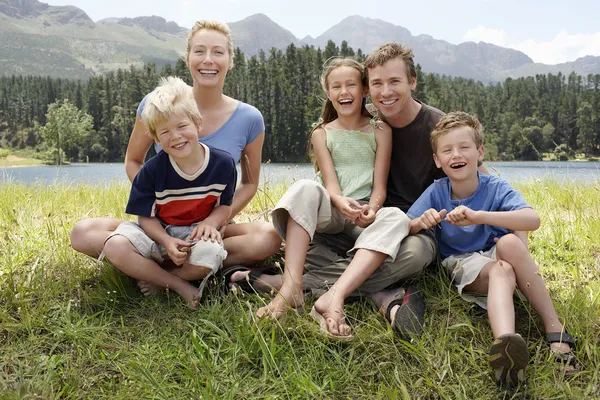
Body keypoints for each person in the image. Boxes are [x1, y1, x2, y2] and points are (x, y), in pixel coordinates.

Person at [228, 43, 452, 338]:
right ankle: (374, 293)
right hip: (339, 226)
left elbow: (474, 174)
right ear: (368, 90)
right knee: (306, 197)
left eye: (395, 81)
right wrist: (338, 201)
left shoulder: (435, 126)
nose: (386, 92)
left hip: (389, 228)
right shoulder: (345, 123)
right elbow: (330, 184)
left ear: (412, 82)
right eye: (377, 84)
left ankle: (292, 285)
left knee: (414, 251)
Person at [69, 20, 282, 278]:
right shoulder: (157, 103)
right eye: (199, 51)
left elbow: (249, 184)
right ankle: (180, 260)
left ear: (230, 60)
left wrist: (214, 221)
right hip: (161, 222)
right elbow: (133, 160)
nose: (208, 60)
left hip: (211, 225)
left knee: (268, 237)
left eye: (218, 52)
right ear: (188, 57)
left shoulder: (250, 118)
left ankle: (159, 269)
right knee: (82, 233)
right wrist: (159, 207)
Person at [407, 111, 575, 386]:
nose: (456, 155)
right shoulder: (437, 191)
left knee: (508, 244)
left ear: (479, 152)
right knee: (501, 270)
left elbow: (532, 220)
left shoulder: (495, 186)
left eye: (464, 147)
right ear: (437, 160)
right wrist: (420, 222)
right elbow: (410, 224)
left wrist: (480, 216)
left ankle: (554, 328)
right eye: (447, 150)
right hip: (464, 262)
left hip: (500, 253)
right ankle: (505, 347)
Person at [252, 57, 409, 338]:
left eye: (351, 85)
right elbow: (331, 186)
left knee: (396, 216)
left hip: (367, 215)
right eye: (336, 86)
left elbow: (380, 188)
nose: (344, 92)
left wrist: (372, 210)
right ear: (328, 93)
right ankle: (290, 287)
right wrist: (340, 202)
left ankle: (334, 289)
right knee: (304, 188)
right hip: (334, 209)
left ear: (363, 90)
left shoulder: (380, 130)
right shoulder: (322, 133)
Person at [102, 76, 237, 309]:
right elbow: (145, 216)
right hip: (159, 234)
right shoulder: (152, 170)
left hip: (194, 236)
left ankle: (158, 279)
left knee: (212, 255)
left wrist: (211, 222)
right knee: (113, 245)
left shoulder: (223, 164)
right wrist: (165, 239)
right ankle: (177, 285)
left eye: (182, 126)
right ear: (155, 138)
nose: (175, 136)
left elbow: (225, 205)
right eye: (164, 132)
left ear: (198, 123)